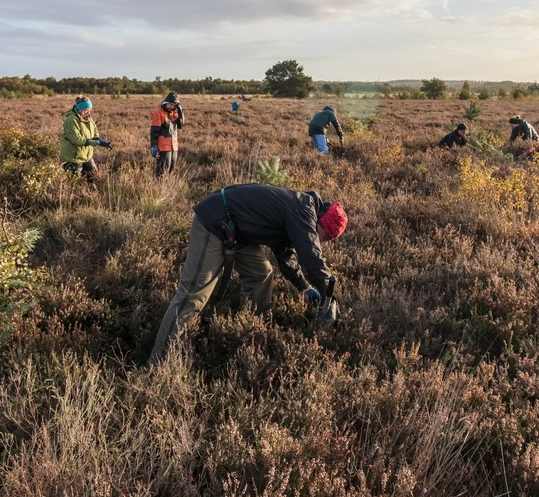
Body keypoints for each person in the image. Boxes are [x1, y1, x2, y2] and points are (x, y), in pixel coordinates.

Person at [149, 184, 347, 364]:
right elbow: (311, 257)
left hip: (238, 230)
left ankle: (247, 330)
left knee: (261, 273)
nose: (322, 241)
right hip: (216, 222)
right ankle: (158, 363)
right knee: (193, 295)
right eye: (325, 236)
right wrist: (331, 296)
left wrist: (305, 287)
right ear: (321, 221)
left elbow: (286, 256)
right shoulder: (303, 211)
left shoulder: (301, 212)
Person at [60, 96, 112, 178]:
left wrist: (99, 139)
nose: (89, 113)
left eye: (90, 110)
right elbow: (76, 140)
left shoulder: (88, 118)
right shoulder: (71, 120)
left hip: (86, 156)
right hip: (73, 157)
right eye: (86, 110)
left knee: (94, 178)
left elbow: (95, 130)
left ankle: (91, 191)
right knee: (74, 184)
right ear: (80, 109)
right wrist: (96, 142)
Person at [149, 92, 185, 177]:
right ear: (166, 103)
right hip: (163, 148)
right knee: (162, 171)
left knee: (172, 169)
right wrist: (154, 147)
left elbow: (181, 125)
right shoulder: (158, 113)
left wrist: (180, 111)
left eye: (174, 105)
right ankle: (160, 188)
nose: (171, 107)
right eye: (170, 104)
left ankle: (168, 188)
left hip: (174, 147)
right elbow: (154, 132)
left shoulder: (174, 113)